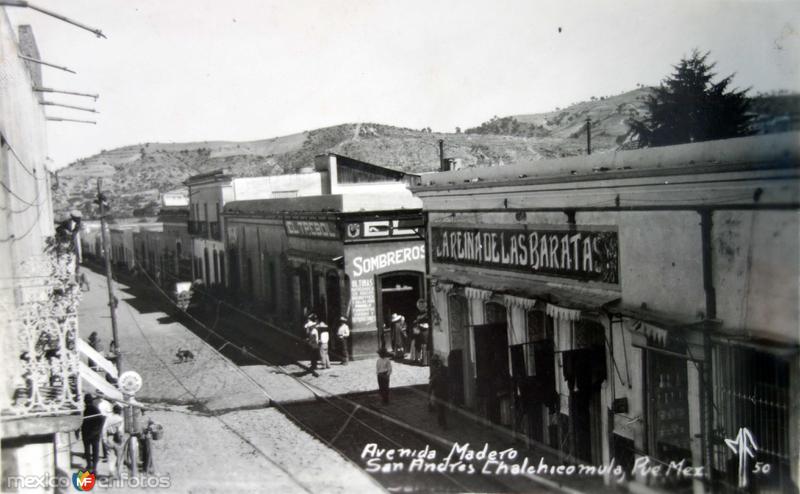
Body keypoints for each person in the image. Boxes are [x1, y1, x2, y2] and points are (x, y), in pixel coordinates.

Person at [80, 393, 105, 472]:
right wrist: (98, 430)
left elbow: (101, 419)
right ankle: (93, 466)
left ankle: (90, 466)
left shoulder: (87, 410)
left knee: (88, 450)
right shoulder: (95, 409)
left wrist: (97, 430)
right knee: (94, 451)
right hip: (93, 434)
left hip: (89, 434)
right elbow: (102, 420)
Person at [103, 404, 124, 477]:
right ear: (120, 411)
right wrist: (121, 439)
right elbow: (120, 430)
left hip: (109, 438)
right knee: (119, 456)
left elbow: (104, 430)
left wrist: (104, 440)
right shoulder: (120, 419)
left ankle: (111, 471)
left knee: (110, 456)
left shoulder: (108, 419)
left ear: (113, 411)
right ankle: (119, 473)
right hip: (117, 439)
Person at [430, 358, 449, 429]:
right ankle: (441, 421)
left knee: (441, 409)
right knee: (442, 408)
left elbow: (432, 384)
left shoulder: (436, 373)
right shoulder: (445, 370)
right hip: (444, 393)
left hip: (439, 393)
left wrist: (430, 392)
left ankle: (443, 423)